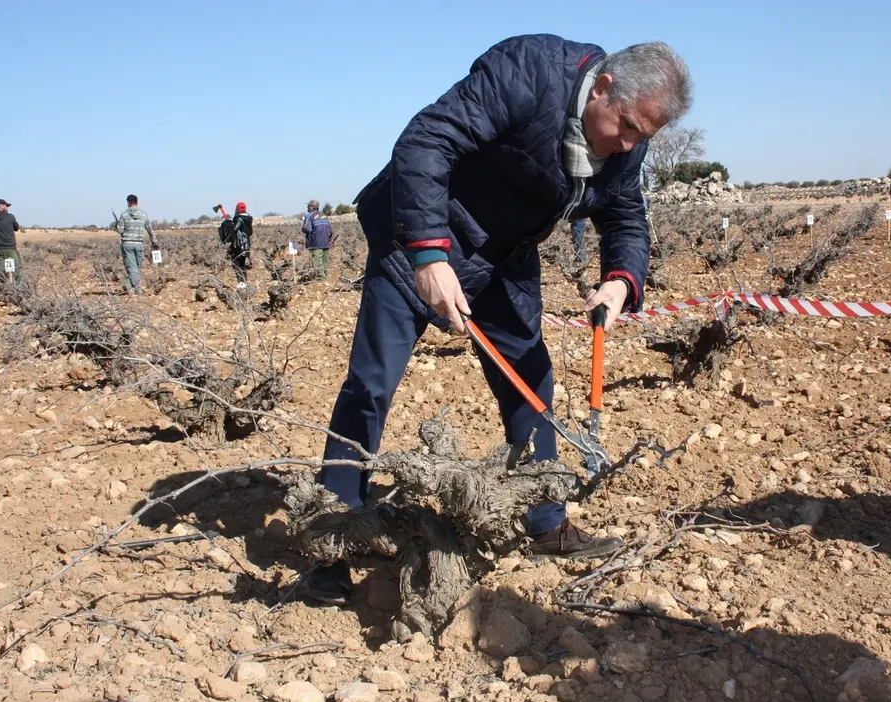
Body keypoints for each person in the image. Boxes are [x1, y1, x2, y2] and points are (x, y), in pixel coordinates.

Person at [306, 34, 692, 605]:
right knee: (371, 383)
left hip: (503, 251)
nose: (630, 144)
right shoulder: (528, 71)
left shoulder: (624, 144)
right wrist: (430, 255)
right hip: (419, 234)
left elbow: (627, 217)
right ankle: (331, 539)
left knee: (531, 377)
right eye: (628, 127)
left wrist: (621, 279)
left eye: (643, 136)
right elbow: (424, 143)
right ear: (603, 88)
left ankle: (545, 520)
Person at [116, 194, 157, 294]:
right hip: (139, 244)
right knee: (136, 266)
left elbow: (120, 230)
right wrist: (154, 242)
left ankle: (135, 288)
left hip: (127, 243)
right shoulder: (144, 214)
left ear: (128, 203)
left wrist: (116, 226)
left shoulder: (124, 215)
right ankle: (134, 287)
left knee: (132, 267)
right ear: (137, 202)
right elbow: (150, 230)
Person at [301, 200, 334, 277]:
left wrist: (303, 229)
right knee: (325, 261)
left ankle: (321, 278)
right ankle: (326, 276)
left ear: (311, 207)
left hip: (315, 243)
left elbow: (307, 229)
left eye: (308, 206)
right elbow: (331, 231)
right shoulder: (324, 215)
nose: (307, 207)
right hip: (326, 243)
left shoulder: (310, 216)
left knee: (318, 261)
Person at [229, 201, 253, 288]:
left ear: (237, 209)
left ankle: (241, 283)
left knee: (236, 264)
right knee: (243, 265)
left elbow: (234, 230)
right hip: (246, 245)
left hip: (238, 246)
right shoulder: (249, 219)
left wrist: (229, 225)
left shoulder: (238, 219)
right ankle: (244, 283)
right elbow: (250, 232)